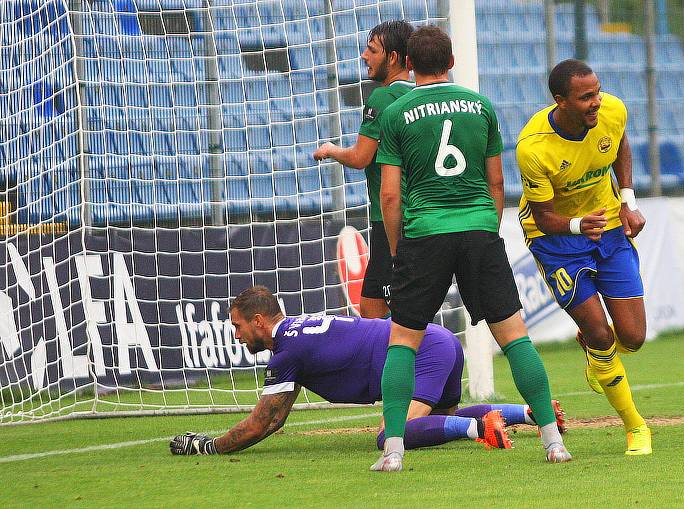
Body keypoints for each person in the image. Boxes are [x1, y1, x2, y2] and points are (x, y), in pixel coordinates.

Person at [371, 26, 571, 472]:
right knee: (514, 334)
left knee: (403, 342)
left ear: (406, 63)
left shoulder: (396, 112)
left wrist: (398, 248)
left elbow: (389, 196)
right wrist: (487, 226)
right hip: (478, 228)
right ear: (452, 61)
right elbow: (497, 181)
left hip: (424, 234)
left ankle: (394, 452)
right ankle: (554, 442)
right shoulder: (480, 107)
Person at [169, 286, 565, 456]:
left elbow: (264, 422)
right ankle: (525, 414)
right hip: (438, 341)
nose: (236, 336)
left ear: (258, 321)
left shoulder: (287, 350)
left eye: (237, 326)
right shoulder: (298, 331)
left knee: (388, 436)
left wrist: (210, 445)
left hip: (421, 351)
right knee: (438, 420)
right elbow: (274, 418)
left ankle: (480, 430)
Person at [515, 58, 651, 456]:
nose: (596, 102)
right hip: (555, 238)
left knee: (634, 337)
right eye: (585, 97)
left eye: (597, 92)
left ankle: (597, 355)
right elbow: (544, 216)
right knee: (600, 333)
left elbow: (620, 142)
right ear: (561, 101)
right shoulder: (534, 147)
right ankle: (635, 426)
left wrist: (626, 200)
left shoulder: (612, 110)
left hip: (607, 225)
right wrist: (578, 226)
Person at [313, 20, 415, 319]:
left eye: (371, 50)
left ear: (393, 58)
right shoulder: (418, 95)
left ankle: (406, 365)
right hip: (421, 213)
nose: (363, 56)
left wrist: (331, 149)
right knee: (379, 306)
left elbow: (360, 157)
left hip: (392, 217)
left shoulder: (382, 97)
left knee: (378, 311)